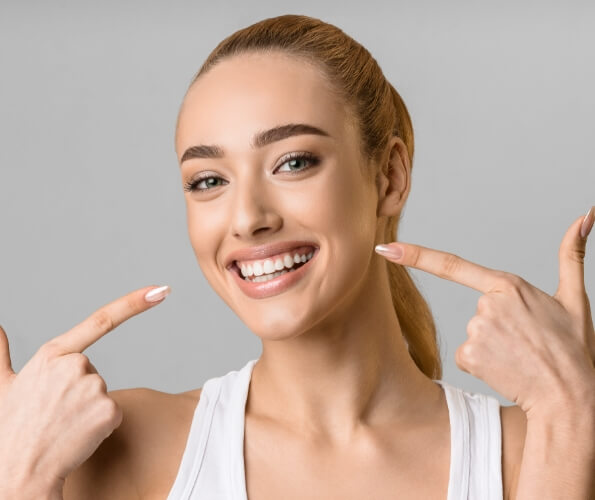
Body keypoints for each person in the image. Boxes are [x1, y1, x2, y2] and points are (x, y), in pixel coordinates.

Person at [1, 14, 593, 500]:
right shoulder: (113, 453)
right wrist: (20, 476)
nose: (247, 217)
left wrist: (572, 410)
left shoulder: (540, 446)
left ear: (388, 175)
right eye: (208, 180)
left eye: (293, 162)